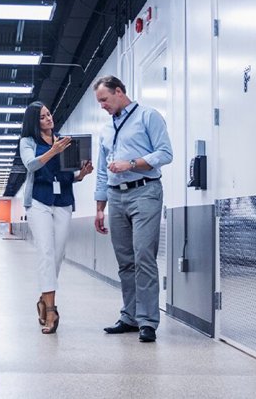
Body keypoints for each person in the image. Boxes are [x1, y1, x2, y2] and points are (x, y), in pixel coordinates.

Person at [93, 75, 173, 343]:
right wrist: (100, 207)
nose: (102, 105)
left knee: (143, 257)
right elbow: (103, 173)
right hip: (116, 197)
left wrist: (133, 163)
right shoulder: (106, 130)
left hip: (145, 192)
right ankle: (129, 316)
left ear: (119, 92)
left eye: (104, 100)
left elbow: (165, 153)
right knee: (125, 261)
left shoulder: (148, 117)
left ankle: (148, 321)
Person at [20, 101, 93, 334]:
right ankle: (51, 310)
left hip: (62, 201)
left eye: (49, 114)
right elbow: (30, 165)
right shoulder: (28, 142)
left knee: (58, 253)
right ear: (34, 122)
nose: (48, 119)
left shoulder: (64, 140)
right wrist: (54, 151)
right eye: (42, 117)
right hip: (39, 201)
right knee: (46, 251)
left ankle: (43, 299)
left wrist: (80, 174)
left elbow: (67, 173)